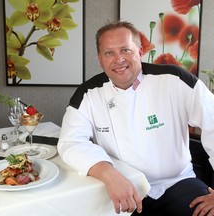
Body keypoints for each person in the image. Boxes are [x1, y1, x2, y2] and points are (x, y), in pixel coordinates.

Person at [57, 21, 214, 216]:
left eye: (125, 50)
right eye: (109, 53)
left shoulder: (175, 80)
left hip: (178, 182)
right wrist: (108, 174)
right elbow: (70, 142)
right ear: (100, 58)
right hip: (123, 185)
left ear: (139, 52)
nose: (118, 59)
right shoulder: (88, 93)